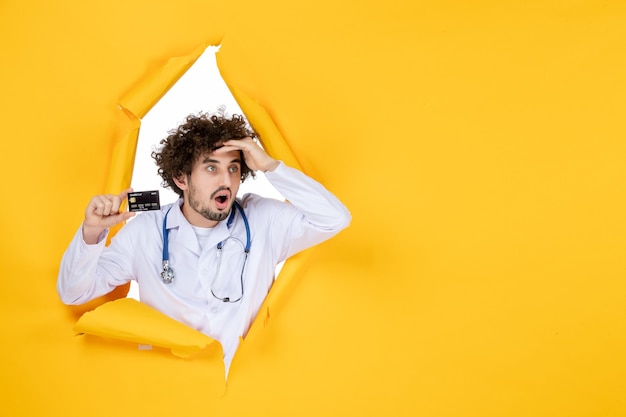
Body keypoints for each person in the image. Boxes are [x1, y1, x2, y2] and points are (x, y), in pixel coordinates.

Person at [57, 112, 351, 375]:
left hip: (244, 389)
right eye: (211, 169)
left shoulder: (262, 219)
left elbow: (334, 218)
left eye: (234, 168)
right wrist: (91, 233)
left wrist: (271, 166)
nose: (226, 180)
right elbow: (73, 293)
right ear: (181, 179)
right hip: (168, 389)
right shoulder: (145, 231)